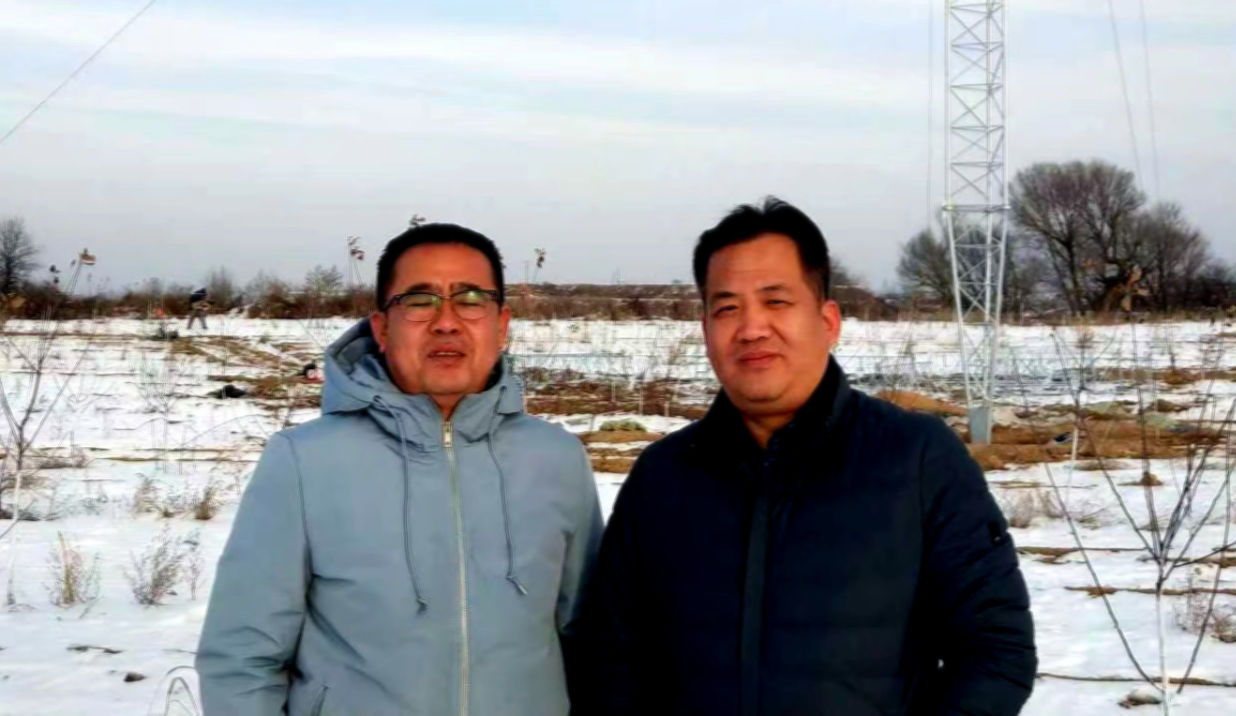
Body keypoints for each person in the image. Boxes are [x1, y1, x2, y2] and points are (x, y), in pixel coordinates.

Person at [587, 198, 1036, 716]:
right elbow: (612, 657)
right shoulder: (663, 476)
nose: (752, 328)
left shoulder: (917, 459)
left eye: (776, 301)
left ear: (827, 321)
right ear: (706, 330)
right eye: (727, 308)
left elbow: (995, 651)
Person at [197, 223, 603, 715]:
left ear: (502, 325)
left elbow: (591, 640)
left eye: (471, 299)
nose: (446, 322)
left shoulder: (557, 458)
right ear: (381, 328)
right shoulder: (304, 461)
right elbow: (242, 658)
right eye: (419, 300)